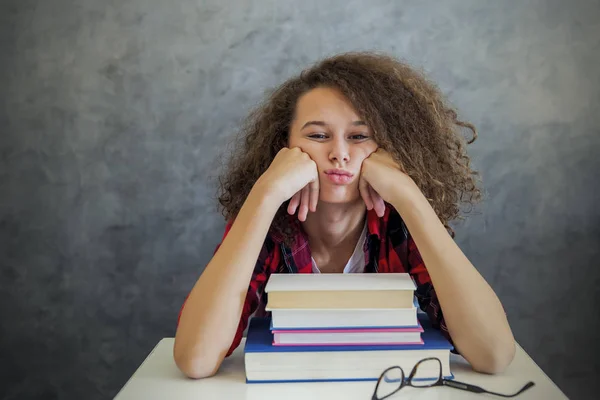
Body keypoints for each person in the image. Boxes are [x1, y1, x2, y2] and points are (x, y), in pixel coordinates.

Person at [173, 51, 516, 379]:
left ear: (390, 147)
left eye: (359, 137)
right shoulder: (266, 223)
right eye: (318, 135)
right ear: (283, 146)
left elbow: (494, 355)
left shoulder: (399, 224)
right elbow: (195, 359)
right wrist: (264, 193)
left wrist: (410, 195)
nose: (339, 154)